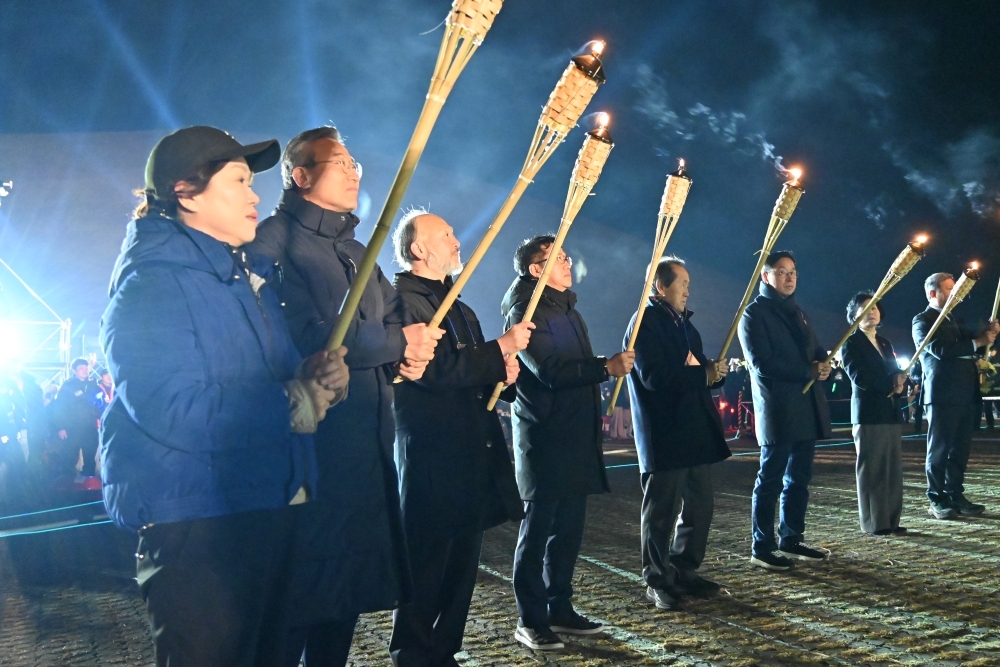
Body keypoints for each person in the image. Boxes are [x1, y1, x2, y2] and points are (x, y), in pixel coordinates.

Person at [99, 125, 349, 667]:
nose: (254, 194)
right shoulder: (154, 283)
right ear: (186, 192)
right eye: (238, 180)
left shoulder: (239, 279)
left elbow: (263, 380)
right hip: (199, 526)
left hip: (264, 504)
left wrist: (312, 375)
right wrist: (291, 404)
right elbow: (170, 407)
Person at [248, 126, 442, 666]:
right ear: (300, 175)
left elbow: (396, 317)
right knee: (298, 599)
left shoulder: (359, 247)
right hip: (312, 451)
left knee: (344, 598)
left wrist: (412, 349)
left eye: (356, 161)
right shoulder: (276, 238)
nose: (355, 170)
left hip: (366, 450)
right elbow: (310, 335)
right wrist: (398, 341)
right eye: (340, 162)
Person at [389, 210, 531, 667]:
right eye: (445, 235)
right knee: (429, 560)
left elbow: (477, 368)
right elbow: (432, 371)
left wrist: (503, 375)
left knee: (462, 565)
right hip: (433, 450)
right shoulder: (403, 300)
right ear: (418, 249)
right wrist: (500, 350)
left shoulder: (459, 304)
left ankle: (444, 649)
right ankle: (412, 652)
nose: (456, 240)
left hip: (471, 448)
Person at [501, 234, 635, 651]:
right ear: (535, 270)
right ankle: (531, 617)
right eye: (556, 257)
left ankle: (560, 606)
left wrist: (603, 369)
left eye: (567, 255)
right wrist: (603, 367)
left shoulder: (568, 307)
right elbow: (550, 369)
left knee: (569, 529)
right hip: (545, 434)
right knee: (538, 528)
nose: (566, 261)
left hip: (577, 433)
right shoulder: (524, 309)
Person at [626, 257, 732, 611]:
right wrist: (702, 375)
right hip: (665, 432)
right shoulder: (645, 323)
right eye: (682, 282)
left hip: (694, 432)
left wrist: (715, 373)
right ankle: (657, 579)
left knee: (700, 505)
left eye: (688, 283)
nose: (688, 289)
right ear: (660, 286)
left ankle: (685, 568)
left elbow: (697, 370)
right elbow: (654, 377)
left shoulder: (686, 326)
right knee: (661, 511)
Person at [738, 250, 832, 571]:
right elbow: (763, 363)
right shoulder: (753, 315)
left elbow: (816, 349)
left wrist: (824, 363)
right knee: (771, 479)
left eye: (793, 271)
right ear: (766, 276)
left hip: (806, 407)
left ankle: (791, 537)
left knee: (799, 479)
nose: (790, 277)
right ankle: (761, 545)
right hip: (779, 407)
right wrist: (809, 370)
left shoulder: (800, 313)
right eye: (782, 271)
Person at [913, 272, 997, 519]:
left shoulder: (956, 319)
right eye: (949, 289)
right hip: (941, 394)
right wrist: (977, 341)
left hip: (966, 393)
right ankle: (936, 498)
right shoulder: (923, 320)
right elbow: (939, 349)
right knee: (939, 449)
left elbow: (974, 341)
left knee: (960, 449)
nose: (955, 293)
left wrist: (988, 333)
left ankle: (955, 495)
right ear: (933, 293)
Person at [840, 293, 907, 535]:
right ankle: (874, 523)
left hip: (889, 411)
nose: (872, 311)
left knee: (892, 469)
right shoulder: (849, 342)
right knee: (872, 470)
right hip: (868, 412)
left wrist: (900, 382)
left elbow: (893, 371)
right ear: (854, 315)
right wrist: (891, 382)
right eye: (865, 307)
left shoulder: (885, 342)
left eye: (875, 306)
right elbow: (860, 378)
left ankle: (891, 520)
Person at [51, 358, 101, 478]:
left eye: (86, 367)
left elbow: (98, 401)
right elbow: (59, 408)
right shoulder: (68, 385)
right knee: (69, 456)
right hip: (72, 427)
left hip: (89, 427)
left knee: (90, 457)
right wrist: (61, 427)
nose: (84, 370)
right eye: (81, 368)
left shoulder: (93, 383)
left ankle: (89, 485)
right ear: (74, 371)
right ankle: (67, 484)